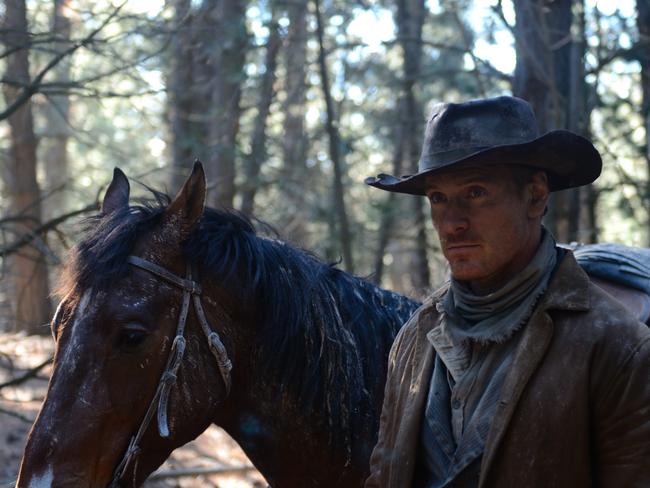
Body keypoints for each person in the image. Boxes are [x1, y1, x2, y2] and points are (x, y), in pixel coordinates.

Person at [363, 96, 650, 487]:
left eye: (476, 192)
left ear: (535, 196)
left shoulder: (615, 346)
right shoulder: (414, 340)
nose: (451, 224)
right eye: (438, 198)